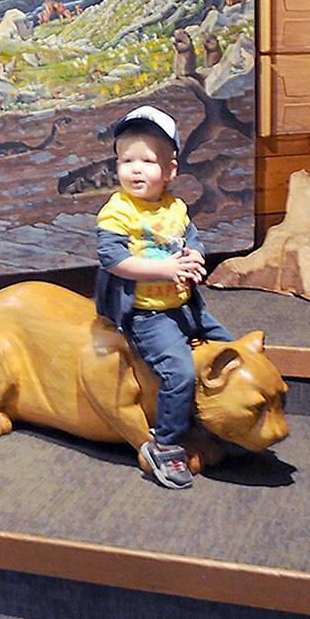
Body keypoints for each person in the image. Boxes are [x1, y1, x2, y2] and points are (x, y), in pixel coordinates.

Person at [94, 105, 233, 490]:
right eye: (126, 160)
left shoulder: (175, 206)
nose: (135, 169)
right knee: (178, 372)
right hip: (148, 313)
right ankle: (167, 444)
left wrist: (194, 256)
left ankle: (223, 417)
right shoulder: (118, 210)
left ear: (170, 170)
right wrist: (164, 269)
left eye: (148, 161)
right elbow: (113, 259)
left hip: (185, 305)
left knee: (230, 347)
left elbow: (192, 240)